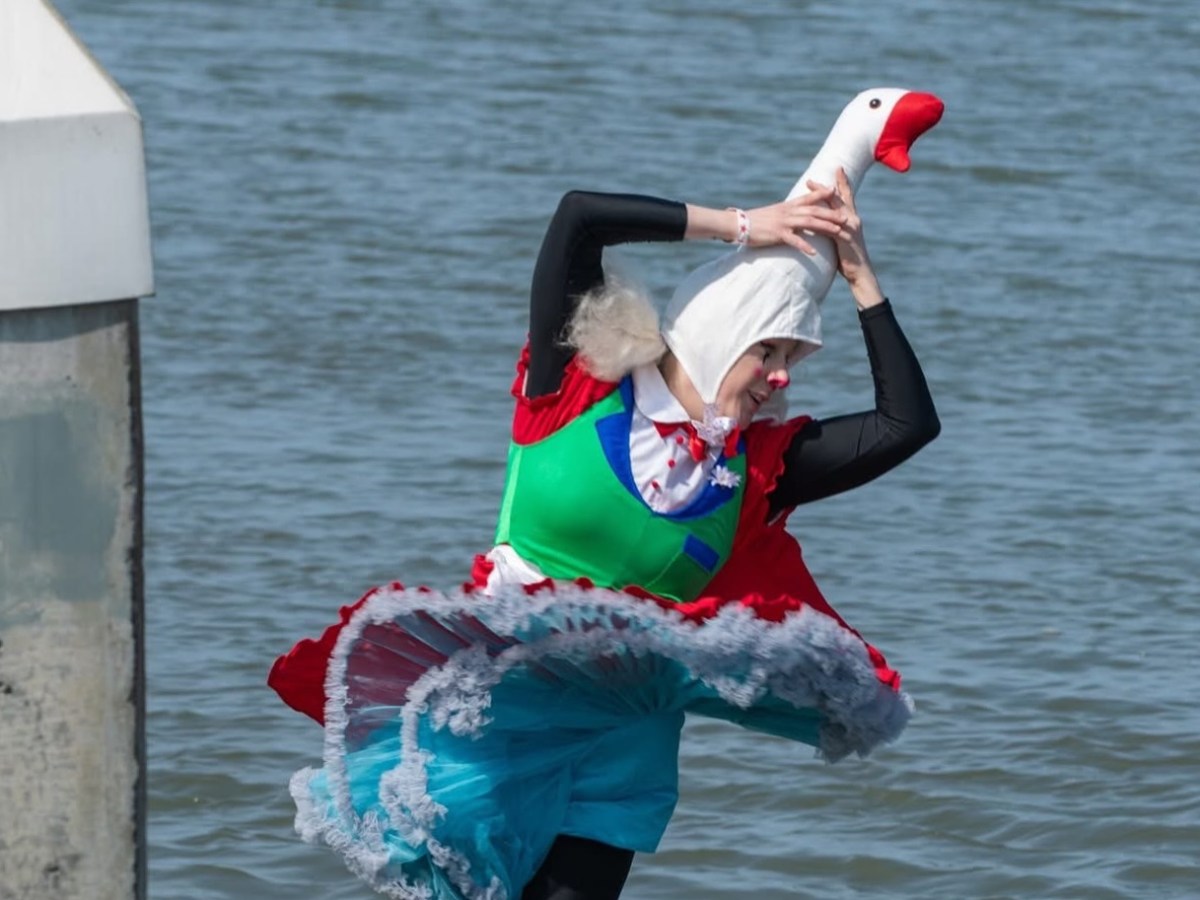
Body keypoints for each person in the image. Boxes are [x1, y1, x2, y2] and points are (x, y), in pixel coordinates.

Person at [269, 88, 943, 900]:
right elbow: (579, 217)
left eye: (793, 361)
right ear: (717, 334)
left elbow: (907, 424)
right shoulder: (577, 385)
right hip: (503, 701)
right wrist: (744, 225)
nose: (780, 379)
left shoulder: (756, 469)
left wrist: (862, 277)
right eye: (769, 352)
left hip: (626, 731)